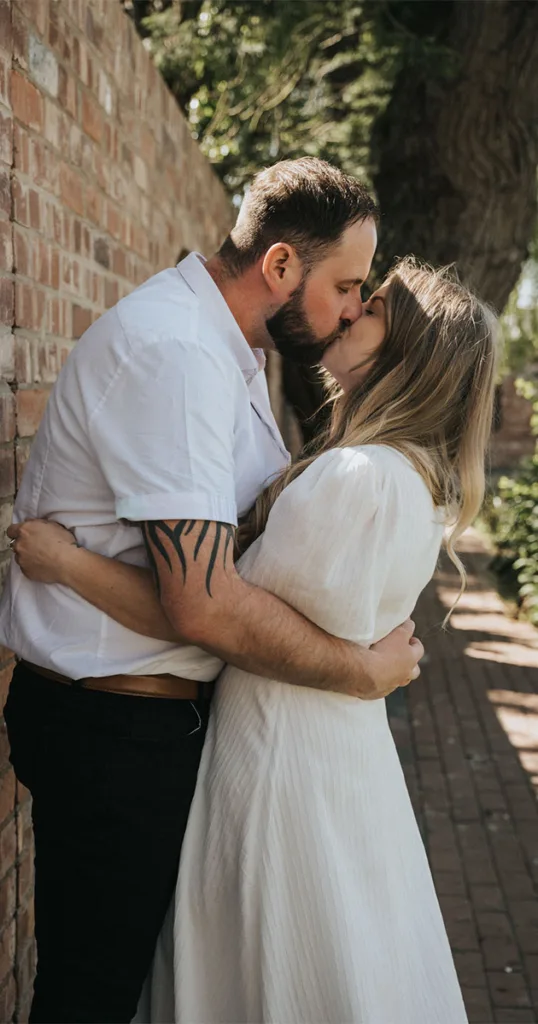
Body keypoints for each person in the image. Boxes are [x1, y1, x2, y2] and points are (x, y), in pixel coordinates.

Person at [11, 257, 498, 1023]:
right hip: (328, 756)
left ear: (406, 354)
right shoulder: (412, 478)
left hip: (277, 763)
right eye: (352, 294)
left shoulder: (356, 478)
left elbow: (211, 610)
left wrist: (67, 562)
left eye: (367, 307)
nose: (348, 314)